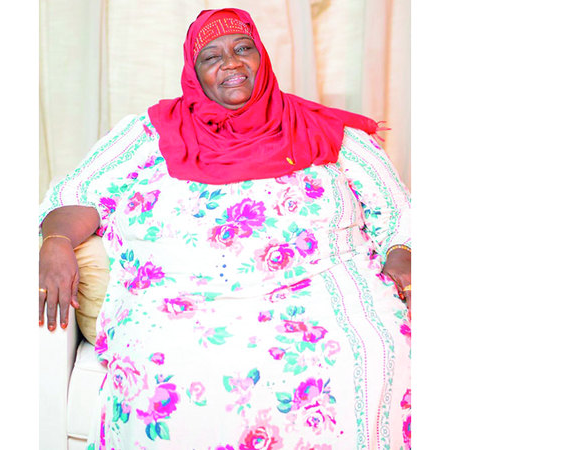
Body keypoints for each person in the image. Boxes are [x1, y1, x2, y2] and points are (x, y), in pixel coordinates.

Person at [39, 8, 411, 449]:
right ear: (194, 73)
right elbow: (77, 192)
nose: (231, 63)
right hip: (180, 299)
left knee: (372, 349)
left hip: (318, 289)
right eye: (212, 57)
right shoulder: (149, 134)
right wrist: (56, 241)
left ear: (261, 56)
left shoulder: (328, 131)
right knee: (169, 365)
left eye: (242, 49)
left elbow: (395, 208)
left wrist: (403, 253)